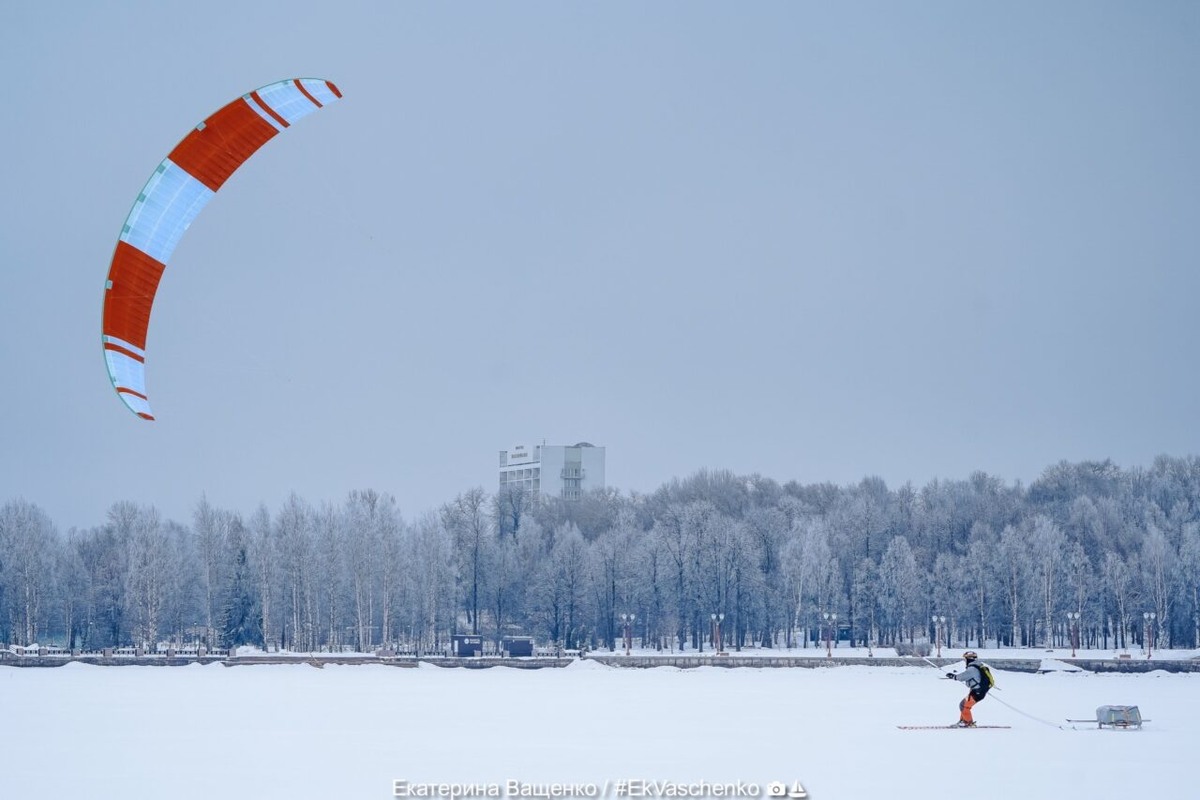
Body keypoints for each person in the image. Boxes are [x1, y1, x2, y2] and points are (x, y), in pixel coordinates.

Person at [946, 650, 993, 727]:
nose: (965, 661)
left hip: (977, 692)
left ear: (969, 659)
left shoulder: (972, 669)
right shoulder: (978, 666)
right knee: (963, 705)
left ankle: (967, 722)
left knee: (964, 706)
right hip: (977, 691)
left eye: (965, 659)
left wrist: (953, 676)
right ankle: (963, 721)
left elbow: (963, 676)